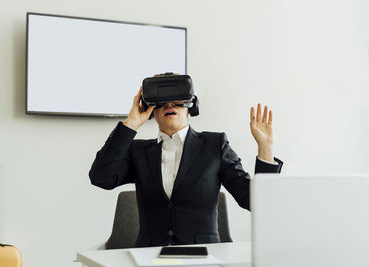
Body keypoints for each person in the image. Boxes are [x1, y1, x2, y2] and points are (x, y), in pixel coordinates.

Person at [89, 84, 283, 247]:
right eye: (161, 100)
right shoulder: (138, 151)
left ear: (191, 106)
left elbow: (256, 201)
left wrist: (265, 148)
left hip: (202, 258)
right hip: (149, 256)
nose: (169, 104)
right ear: (150, 110)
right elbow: (101, 177)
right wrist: (130, 124)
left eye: (177, 98)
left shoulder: (215, 145)